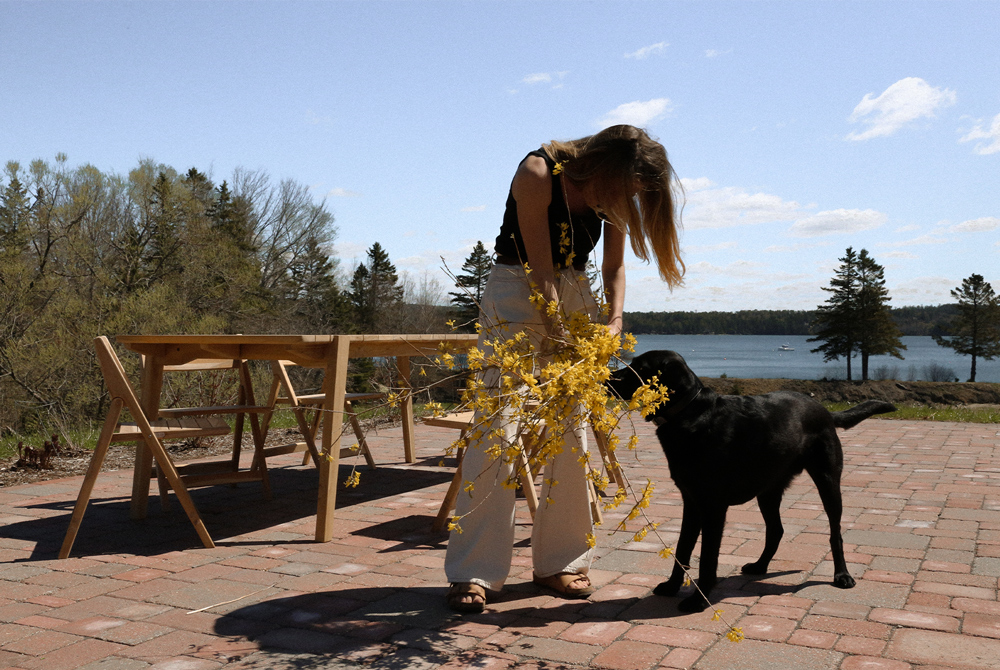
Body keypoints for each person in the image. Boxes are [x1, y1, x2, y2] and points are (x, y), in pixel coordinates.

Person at [445, 124, 685, 613]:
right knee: (499, 430)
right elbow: (540, 271)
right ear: (605, 168)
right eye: (627, 189)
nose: (627, 199)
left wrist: (613, 320)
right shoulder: (537, 173)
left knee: (570, 430)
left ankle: (561, 561)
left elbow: (614, 267)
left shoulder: (613, 192)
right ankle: (475, 571)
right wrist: (556, 326)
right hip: (517, 290)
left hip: (576, 292)